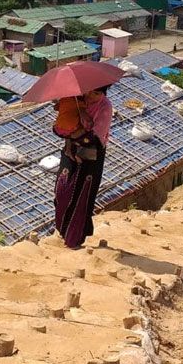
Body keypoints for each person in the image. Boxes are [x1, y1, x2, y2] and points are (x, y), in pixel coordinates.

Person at [53, 87, 112, 249]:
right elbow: (58, 128)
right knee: (62, 190)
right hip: (69, 152)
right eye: (90, 91)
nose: (92, 96)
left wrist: (73, 133)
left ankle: (74, 239)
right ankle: (62, 231)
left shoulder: (104, 107)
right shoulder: (75, 100)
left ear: (103, 94)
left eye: (97, 93)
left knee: (81, 197)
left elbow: (94, 137)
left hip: (90, 156)